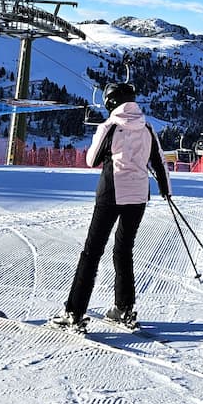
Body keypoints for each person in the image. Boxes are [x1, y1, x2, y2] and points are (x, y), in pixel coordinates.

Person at [50, 83, 171, 332]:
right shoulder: (147, 127)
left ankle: (74, 311)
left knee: (92, 252)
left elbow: (91, 160)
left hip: (112, 192)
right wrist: (166, 191)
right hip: (138, 195)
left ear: (111, 102)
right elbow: (159, 160)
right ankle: (124, 309)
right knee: (124, 250)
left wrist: (109, 154)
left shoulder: (111, 126)